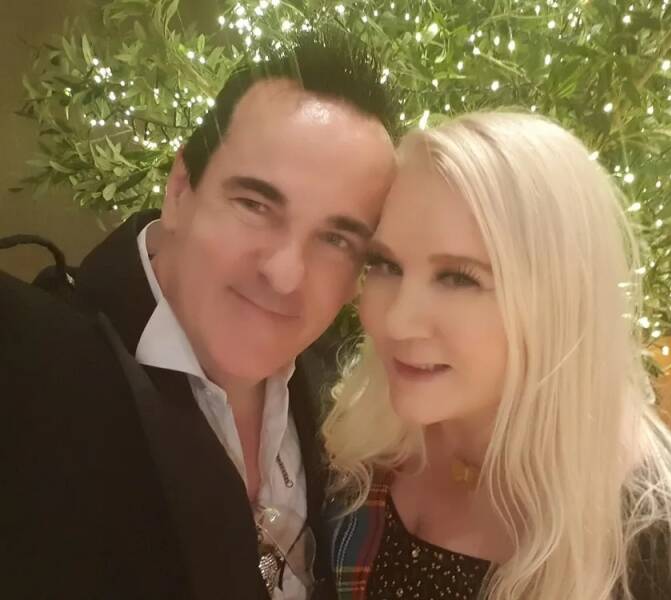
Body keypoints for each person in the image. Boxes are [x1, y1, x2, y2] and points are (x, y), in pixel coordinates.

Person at [0, 29, 396, 600]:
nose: (285, 274)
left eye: (336, 239)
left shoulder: (342, 394)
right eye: (255, 204)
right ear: (181, 188)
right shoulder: (29, 363)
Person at [321, 113, 671, 599]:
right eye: (385, 265)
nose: (396, 321)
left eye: (459, 278)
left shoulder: (664, 548)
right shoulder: (359, 449)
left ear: (560, 301)